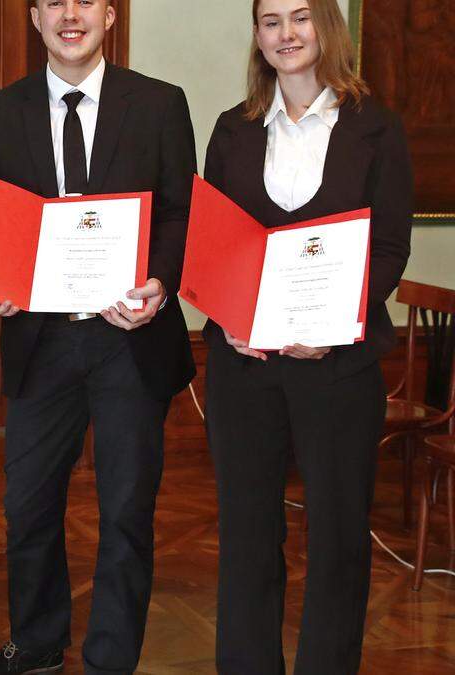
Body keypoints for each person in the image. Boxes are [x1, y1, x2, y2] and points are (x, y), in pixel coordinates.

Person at [0, 0, 197, 672]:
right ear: (34, 18)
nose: (72, 14)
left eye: (86, 0)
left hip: (131, 337)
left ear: (110, 16)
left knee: (125, 508)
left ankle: (110, 658)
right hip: (42, 342)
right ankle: (35, 644)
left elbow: (181, 211)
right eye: (54, 2)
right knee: (27, 502)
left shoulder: (158, 104)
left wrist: (162, 281)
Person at [202, 1, 412, 671]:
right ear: (257, 35)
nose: (286, 35)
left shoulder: (377, 129)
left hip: (338, 369)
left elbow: (388, 246)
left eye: (301, 18)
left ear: (327, 28)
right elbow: (217, 243)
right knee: (247, 536)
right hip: (244, 366)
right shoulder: (232, 131)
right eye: (271, 21)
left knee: (339, 540)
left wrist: (331, 326)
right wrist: (232, 314)